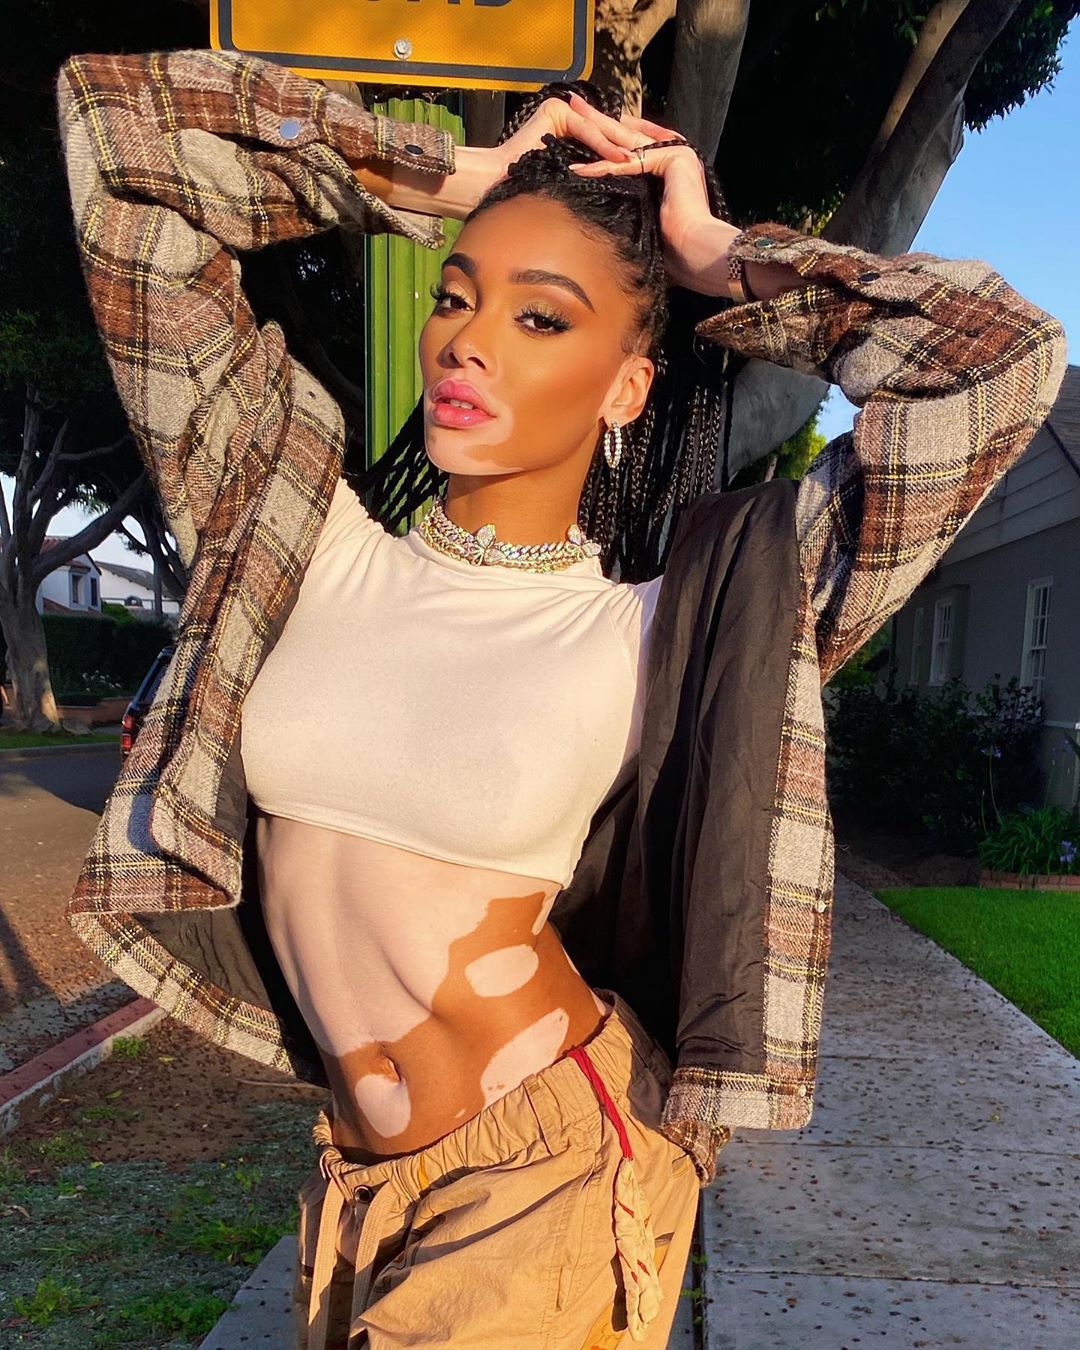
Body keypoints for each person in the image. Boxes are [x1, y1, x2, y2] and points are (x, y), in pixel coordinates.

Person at [56, 43, 1066, 1350]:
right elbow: (118, 139)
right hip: (358, 1181)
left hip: (551, 1175)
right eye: (456, 295)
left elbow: (996, 364)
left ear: (629, 385)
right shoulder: (291, 527)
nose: (469, 341)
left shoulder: (678, 623)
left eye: (541, 319)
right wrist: (445, 176)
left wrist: (718, 258)